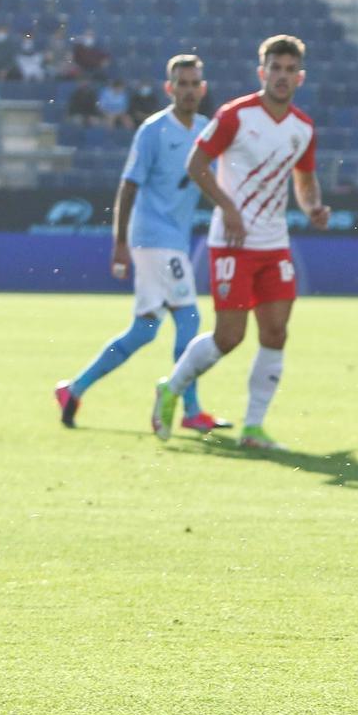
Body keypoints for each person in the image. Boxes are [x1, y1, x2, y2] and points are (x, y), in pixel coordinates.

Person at [151, 34, 329, 450]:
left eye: (289, 70)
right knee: (229, 337)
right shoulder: (235, 115)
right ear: (261, 71)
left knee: (276, 333)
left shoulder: (303, 128)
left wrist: (313, 206)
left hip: (274, 243)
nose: (281, 77)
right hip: (232, 243)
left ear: (299, 77)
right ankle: (171, 387)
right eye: (275, 68)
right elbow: (195, 164)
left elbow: (304, 179)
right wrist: (228, 208)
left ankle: (253, 427)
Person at [55, 55, 231, 434]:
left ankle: (74, 389)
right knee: (189, 317)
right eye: (180, 83)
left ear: (203, 89)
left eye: (194, 83)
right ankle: (190, 407)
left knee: (144, 331)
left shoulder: (205, 130)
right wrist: (120, 243)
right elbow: (129, 185)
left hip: (173, 240)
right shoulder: (153, 131)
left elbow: (216, 183)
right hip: (153, 237)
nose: (188, 90)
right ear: (169, 88)